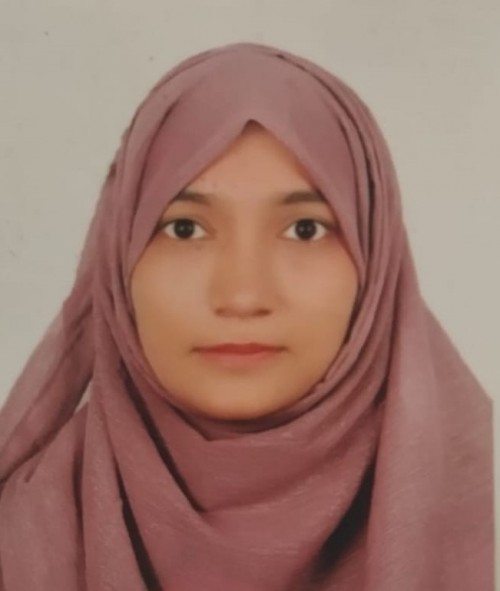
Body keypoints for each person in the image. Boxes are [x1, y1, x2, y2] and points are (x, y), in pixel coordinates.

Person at [0, 42, 493, 590]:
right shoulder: (21, 544)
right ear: (118, 262)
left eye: (304, 229)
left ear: (375, 264)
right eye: (184, 228)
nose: (241, 294)